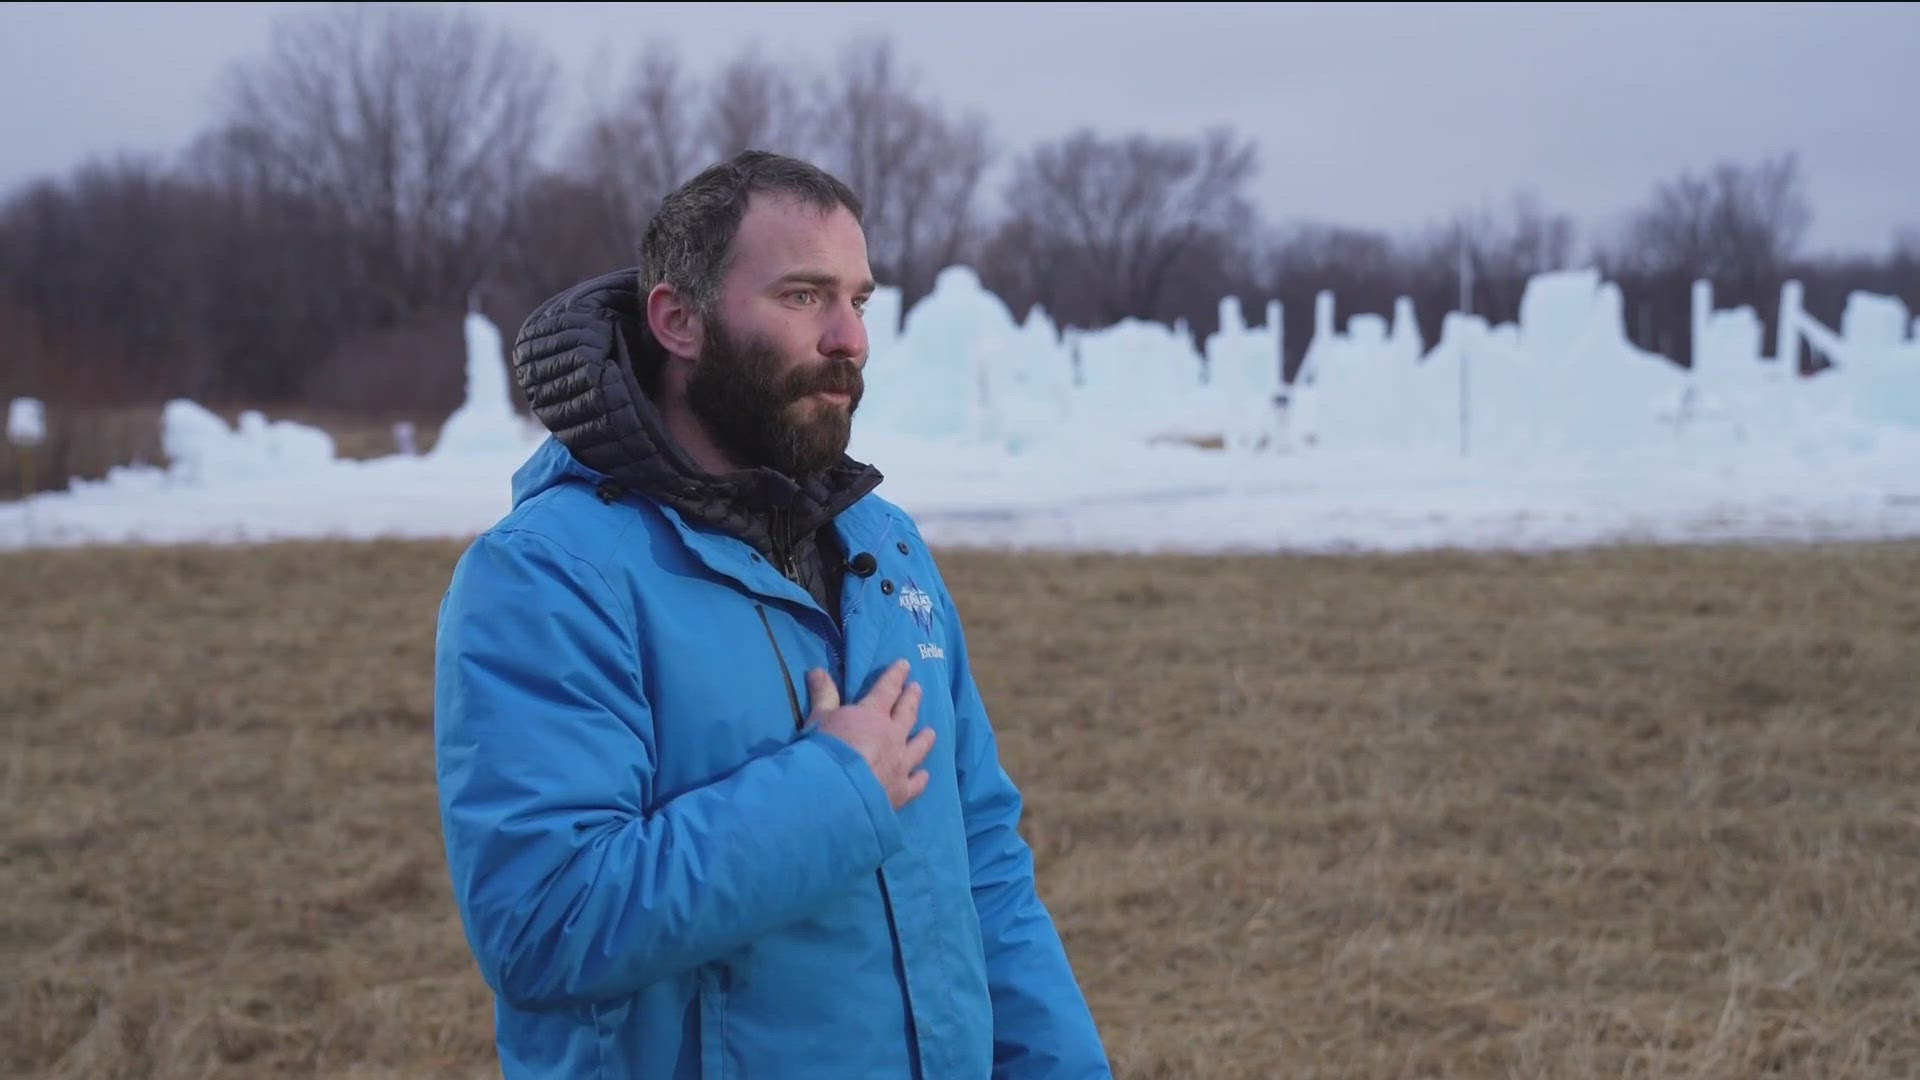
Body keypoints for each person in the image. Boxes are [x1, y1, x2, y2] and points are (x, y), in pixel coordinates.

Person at [434, 150, 1112, 1079]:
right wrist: (832, 790)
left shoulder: (884, 549)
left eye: (859, 301)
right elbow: (543, 925)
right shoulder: (549, 576)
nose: (849, 339)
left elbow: (983, 862)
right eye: (803, 297)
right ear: (680, 319)